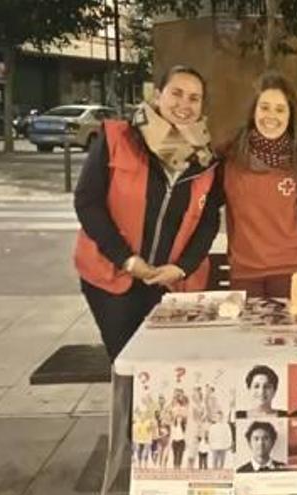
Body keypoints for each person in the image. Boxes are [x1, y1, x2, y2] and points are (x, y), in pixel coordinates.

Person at [74, 65, 224, 360]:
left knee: (167, 369)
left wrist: (182, 267)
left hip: (170, 283)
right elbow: (87, 203)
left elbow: (208, 221)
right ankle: (127, 409)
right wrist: (127, 260)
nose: (184, 105)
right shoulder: (118, 138)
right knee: (130, 365)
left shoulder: (205, 160)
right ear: (158, 96)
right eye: (176, 93)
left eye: (194, 98)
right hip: (113, 278)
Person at [222, 72, 297, 298]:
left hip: (291, 271)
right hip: (245, 272)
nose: (271, 116)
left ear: (290, 115)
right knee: (248, 334)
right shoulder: (230, 157)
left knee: (287, 334)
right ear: (253, 111)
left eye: (280, 110)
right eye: (264, 107)